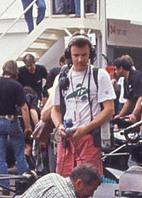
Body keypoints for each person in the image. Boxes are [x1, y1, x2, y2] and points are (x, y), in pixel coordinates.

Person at [49, 34, 115, 176]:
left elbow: (109, 110)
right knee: (63, 181)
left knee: (87, 183)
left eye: (84, 55)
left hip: (89, 139)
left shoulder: (100, 75)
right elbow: (55, 110)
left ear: (90, 54)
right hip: (66, 140)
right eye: (76, 55)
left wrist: (85, 129)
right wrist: (59, 126)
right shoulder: (62, 77)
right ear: (69, 55)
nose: (80, 59)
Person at [0, 60, 31, 193]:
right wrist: (27, 127)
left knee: (0, 155)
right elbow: (24, 107)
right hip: (12, 121)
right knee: (19, 154)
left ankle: (5, 186)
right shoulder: (16, 85)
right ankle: (24, 184)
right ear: (15, 71)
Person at [112, 55, 142, 123]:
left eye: (115, 69)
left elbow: (141, 97)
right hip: (138, 111)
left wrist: (134, 114)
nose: (115, 72)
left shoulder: (137, 77)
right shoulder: (126, 80)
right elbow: (129, 100)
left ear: (121, 68)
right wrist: (119, 116)